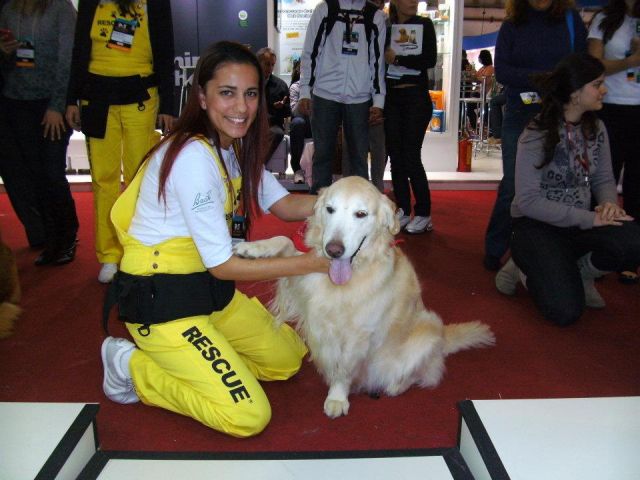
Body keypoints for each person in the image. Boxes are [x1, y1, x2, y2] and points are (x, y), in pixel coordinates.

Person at [100, 41, 331, 438]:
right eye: (227, 93)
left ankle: (204, 352)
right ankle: (129, 365)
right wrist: (312, 263)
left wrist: (348, 201)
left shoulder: (232, 148)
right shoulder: (193, 157)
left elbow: (287, 205)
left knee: (288, 359)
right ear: (202, 97)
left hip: (208, 292)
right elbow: (224, 265)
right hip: (164, 301)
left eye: (250, 93)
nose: (241, 107)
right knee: (247, 416)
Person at [494, 53, 640, 326]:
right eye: (597, 84)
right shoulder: (535, 132)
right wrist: (591, 218)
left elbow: (604, 178)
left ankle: (581, 272)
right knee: (565, 312)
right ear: (575, 93)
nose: (604, 90)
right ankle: (523, 266)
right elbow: (527, 202)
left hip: (578, 224)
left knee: (633, 239)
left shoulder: (597, 127)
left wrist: (609, 204)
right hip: (537, 226)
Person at [65, 0, 176, 283]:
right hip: (96, 98)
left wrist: (168, 106)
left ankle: (136, 249)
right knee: (104, 180)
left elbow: (165, 50)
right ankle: (110, 255)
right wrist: (71, 99)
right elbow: (79, 48)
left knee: (140, 179)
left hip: (140, 94)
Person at [483, 0, 588, 271]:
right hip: (520, 113)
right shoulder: (512, 24)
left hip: (562, 113)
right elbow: (503, 71)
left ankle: (557, 252)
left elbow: (581, 66)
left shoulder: (570, 20)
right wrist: (545, 78)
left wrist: (550, 82)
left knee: (561, 183)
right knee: (513, 184)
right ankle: (496, 246)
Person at [0, 0, 79, 264]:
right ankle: (50, 238)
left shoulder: (61, 9)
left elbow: (68, 60)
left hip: (51, 105)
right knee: (35, 176)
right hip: (17, 103)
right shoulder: (9, 9)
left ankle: (68, 236)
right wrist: (3, 52)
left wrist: (57, 105)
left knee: (52, 173)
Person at [298, 0, 386, 194]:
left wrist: (378, 100)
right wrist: (305, 90)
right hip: (324, 94)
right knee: (322, 156)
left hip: (360, 97)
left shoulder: (375, 16)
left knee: (359, 159)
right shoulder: (324, 9)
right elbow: (310, 53)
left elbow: (378, 61)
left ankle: (359, 207)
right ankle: (319, 207)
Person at [588, 0, 640, 284]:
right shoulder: (605, 20)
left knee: (637, 186)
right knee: (602, 182)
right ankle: (596, 253)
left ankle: (631, 257)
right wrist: (630, 62)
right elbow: (593, 65)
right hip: (610, 108)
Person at [384, 0, 437, 233]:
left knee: (411, 155)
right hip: (391, 98)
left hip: (416, 97)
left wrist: (397, 59)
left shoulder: (425, 24)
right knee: (395, 156)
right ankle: (403, 209)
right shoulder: (387, 28)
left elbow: (429, 59)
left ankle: (424, 212)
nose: (413, 2)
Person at [256, 47, 291, 158]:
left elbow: (288, 112)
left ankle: (258, 163)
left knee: (277, 133)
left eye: (272, 65)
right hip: (252, 123)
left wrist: (280, 107)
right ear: (258, 63)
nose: (270, 68)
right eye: (267, 64)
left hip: (272, 124)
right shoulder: (249, 83)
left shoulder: (281, 86)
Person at [288, 58, 312, 184]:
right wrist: (304, 94)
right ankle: (297, 169)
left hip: (317, 121)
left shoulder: (320, 87)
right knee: (297, 123)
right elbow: (294, 111)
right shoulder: (295, 87)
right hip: (303, 122)